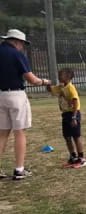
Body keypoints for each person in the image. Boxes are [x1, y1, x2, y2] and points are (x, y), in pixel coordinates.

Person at [0, 29, 51, 180]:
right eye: (22, 44)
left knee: (2, 133)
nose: (22, 47)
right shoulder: (17, 54)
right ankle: (19, 169)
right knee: (19, 132)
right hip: (15, 95)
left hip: (0, 94)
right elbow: (31, 79)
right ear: (16, 42)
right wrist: (44, 81)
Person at [47, 68, 86, 166]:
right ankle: (72, 156)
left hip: (73, 113)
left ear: (68, 77)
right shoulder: (61, 86)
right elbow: (51, 90)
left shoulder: (70, 88)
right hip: (65, 114)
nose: (59, 77)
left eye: (61, 75)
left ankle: (81, 157)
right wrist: (47, 83)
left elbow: (75, 102)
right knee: (67, 137)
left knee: (76, 136)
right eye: (59, 74)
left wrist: (74, 117)